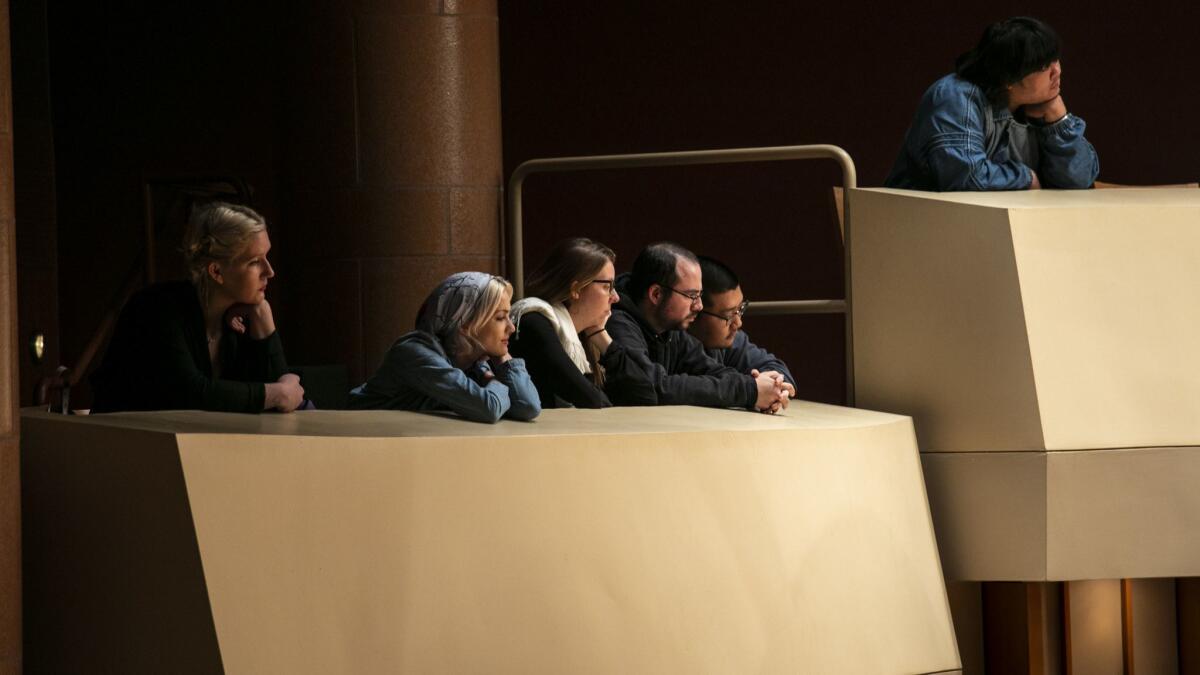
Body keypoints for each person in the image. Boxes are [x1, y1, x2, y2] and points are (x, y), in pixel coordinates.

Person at [91, 202, 304, 413]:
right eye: (254, 261)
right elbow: (189, 393)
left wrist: (262, 314)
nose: (270, 271)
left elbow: (284, 404)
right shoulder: (156, 308)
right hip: (121, 443)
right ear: (216, 272)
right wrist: (274, 394)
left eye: (266, 257)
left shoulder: (244, 317)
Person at [885, 16, 1099, 191]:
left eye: (1056, 59)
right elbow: (967, 178)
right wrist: (1027, 178)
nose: (1057, 71)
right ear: (1008, 78)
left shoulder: (1038, 103)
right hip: (923, 225)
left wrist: (1058, 121)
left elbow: (1079, 180)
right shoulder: (956, 96)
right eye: (1043, 66)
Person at [606, 242, 789, 413]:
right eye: (692, 296)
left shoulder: (672, 329)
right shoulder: (618, 322)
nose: (699, 306)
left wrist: (765, 387)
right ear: (656, 294)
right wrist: (749, 391)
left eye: (700, 295)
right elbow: (649, 386)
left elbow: (711, 369)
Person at [348, 272, 541, 423]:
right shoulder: (414, 352)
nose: (511, 327)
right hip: (353, 442)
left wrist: (503, 358)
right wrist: (492, 378)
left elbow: (528, 407)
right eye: (500, 317)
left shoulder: (472, 359)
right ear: (465, 325)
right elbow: (488, 408)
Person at [508, 238, 650, 408]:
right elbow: (591, 399)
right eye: (607, 287)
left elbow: (645, 396)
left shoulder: (583, 334)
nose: (616, 297)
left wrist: (599, 334)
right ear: (576, 289)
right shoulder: (534, 322)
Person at [688, 256, 797, 397]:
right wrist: (751, 389)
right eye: (728, 315)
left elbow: (776, 368)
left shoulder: (728, 341)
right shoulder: (670, 344)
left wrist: (773, 387)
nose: (738, 323)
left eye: (740, 309)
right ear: (695, 311)